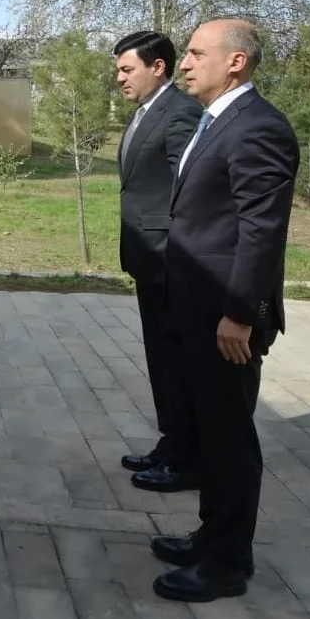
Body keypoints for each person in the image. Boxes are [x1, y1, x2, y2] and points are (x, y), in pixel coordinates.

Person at [150, 18, 299, 603]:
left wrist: (241, 313)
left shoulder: (258, 127)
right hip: (196, 308)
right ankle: (211, 537)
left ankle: (226, 564)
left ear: (236, 61)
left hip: (225, 318)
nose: (184, 63)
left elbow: (261, 231)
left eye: (194, 53)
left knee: (228, 439)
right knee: (209, 433)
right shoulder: (217, 120)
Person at [112, 31, 203, 494]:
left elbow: (191, 189)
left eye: (127, 69)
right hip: (148, 260)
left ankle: (188, 459)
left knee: (178, 363)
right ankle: (172, 444)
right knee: (162, 359)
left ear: (158, 67)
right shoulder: (146, 111)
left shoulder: (180, 112)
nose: (120, 78)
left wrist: (176, 250)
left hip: (171, 261)